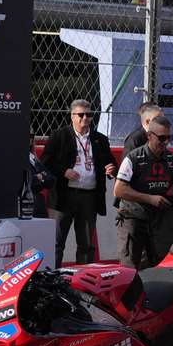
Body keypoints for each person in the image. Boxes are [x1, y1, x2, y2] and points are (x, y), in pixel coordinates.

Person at [42, 99, 116, 267]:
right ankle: (52, 279)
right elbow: (45, 162)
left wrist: (111, 169)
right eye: (81, 114)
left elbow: (110, 162)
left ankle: (82, 282)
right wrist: (63, 171)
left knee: (87, 245)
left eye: (89, 115)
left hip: (89, 197)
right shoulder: (59, 136)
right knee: (56, 243)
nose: (85, 118)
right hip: (63, 197)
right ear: (72, 116)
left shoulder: (100, 139)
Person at [113, 116, 173, 269]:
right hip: (133, 217)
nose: (166, 142)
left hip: (159, 220)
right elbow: (118, 190)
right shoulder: (133, 158)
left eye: (169, 138)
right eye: (161, 138)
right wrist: (150, 198)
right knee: (130, 266)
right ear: (149, 136)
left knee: (158, 264)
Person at [28, 133, 55, 218]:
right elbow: (27, 181)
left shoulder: (33, 158)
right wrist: (39, 177)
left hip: (38, 204)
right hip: (26, 203)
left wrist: (39, 177)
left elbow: (51, 180)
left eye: (31, 137)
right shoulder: (15, 158)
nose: (30, 140)